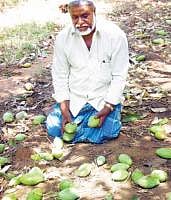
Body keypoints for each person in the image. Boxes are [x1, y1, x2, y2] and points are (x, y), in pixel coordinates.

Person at [46, 0, 129, 144]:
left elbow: (119, 75)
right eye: (75, 17)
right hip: (75, 99)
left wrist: (109, 106)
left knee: (110, 131)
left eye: (85, 16)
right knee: (54, 128)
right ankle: (68, 117)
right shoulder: (63, 39)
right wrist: (65, 110)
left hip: (102, 100)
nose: (80, 22)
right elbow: (60, 75)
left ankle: (83, 126)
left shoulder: (115, 35)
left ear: (94, 12)